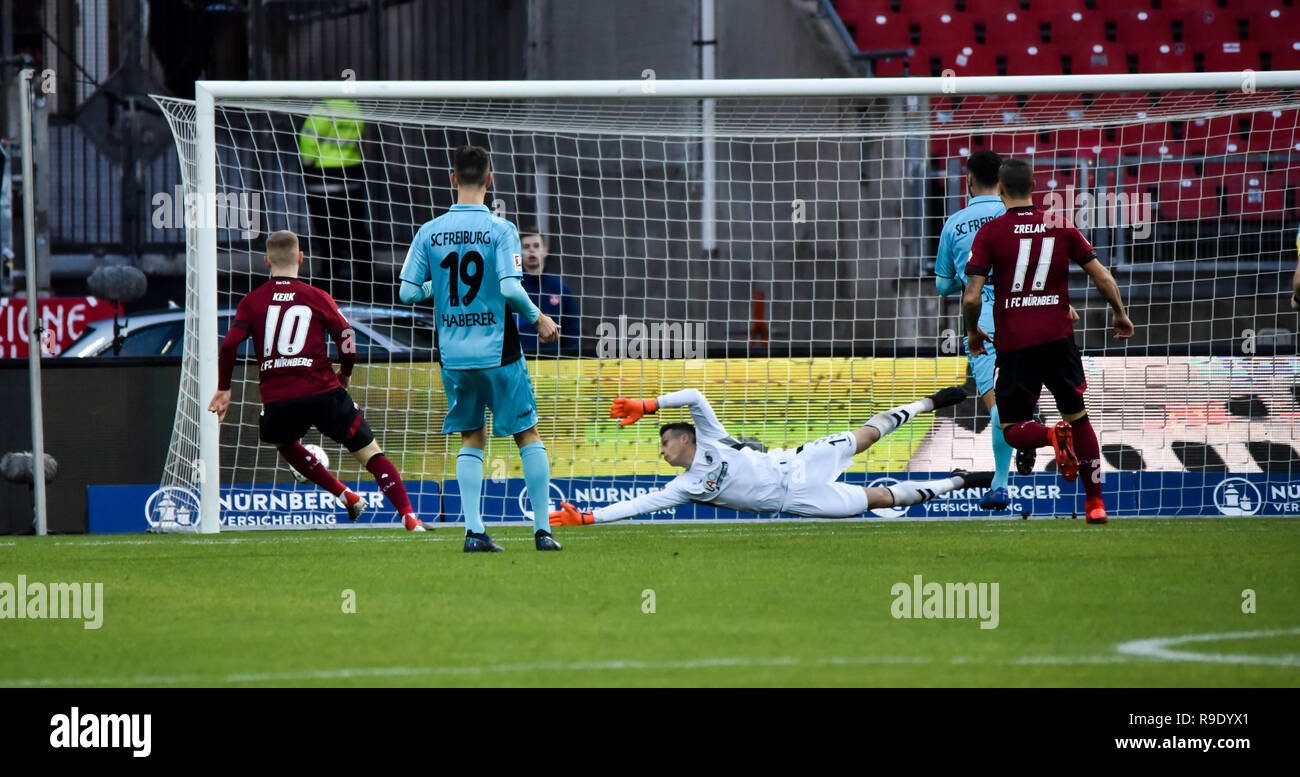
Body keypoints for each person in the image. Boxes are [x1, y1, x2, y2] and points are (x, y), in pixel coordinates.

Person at [397, 146, 563, 552]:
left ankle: (474, 532)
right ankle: (542, 531)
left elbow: (407, 291)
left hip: (454, 354)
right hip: (498, 350)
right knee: (527, 433)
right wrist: (538, 318)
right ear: (490, 181)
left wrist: (440, 283)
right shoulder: (500, 229)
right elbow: (508, 287)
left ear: (453, 180)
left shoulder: (429, 231)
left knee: (472, 436)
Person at [207, 230, 424, 532]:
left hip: (280, 399)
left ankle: (344, 494)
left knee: (281, 439)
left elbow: (230, 345)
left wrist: (223, 387)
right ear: (300, 258)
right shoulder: (317, 296)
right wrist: (345, 374)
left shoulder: (252, 302)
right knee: (370, 452)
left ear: (267, 260)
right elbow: (347, 339)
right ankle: (408, 516)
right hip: (324, 392)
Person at [962, 158, 1134, 525]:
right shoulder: (1059, 224)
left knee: (1011, 430)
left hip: (1015, 345)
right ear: (1034, 184)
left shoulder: (991, 233)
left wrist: (973, 330)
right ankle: (1095, 503)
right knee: (1080, 418)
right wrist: (1119, 312)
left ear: (1002, 189)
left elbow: (972, 297)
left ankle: (1051, 436)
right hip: (1058, 339)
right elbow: (1101, 274)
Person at [548, 386, 990, 525]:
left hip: (798, 463)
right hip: (794, 502)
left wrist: (649, 406)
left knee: (865, 437)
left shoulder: (712, 436)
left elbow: (696, 397)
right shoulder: (685, 488)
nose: (661, 451)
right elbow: (639, 505)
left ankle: (927, 403)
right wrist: (590, 518)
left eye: (664, 442)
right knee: (877, 500)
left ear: (684, 438)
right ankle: (956, 480)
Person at [935, 150, 1015, 510]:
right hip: (1025, 314)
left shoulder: (955, 222)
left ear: (968, 180)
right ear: (1002, 181)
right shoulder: (1016, 214)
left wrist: (969, 279)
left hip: (982, 320)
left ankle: (1000, 483)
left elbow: (942, 286)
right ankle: (1029, 435)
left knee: (996, 407)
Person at [298, 98, 373, 302]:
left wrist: (306, 165)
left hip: (324, 173)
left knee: (326, 227)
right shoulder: (355, 108)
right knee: (354, 225)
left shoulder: (323, 108)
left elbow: (308, 139)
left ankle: (330, 274)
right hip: (352, 171)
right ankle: (365, 274)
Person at [516, 225, 580, 355]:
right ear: (519, 252)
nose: (532, 250)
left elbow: (572, 334)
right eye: (526, 247)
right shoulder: (512, 288)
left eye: (536, 246)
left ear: (545, 250)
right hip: (518, 361)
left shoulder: (561, 289)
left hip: (552, 365)